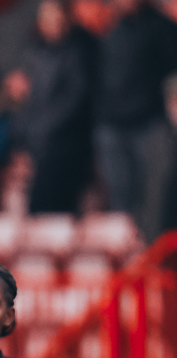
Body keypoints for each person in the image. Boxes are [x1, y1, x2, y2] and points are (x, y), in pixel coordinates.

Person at [95, 0, 177, 228]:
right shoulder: (109, 26)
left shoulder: (163, 27)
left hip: (148, 125)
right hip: (111, 125)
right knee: (119, 197)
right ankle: (126, 253)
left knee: (153, 197)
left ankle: (152, 251)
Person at [23, 0, 99, 213]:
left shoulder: (80, 50)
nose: (49, 23)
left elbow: (76, 97)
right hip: (42, 143)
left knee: (54, 208)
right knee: (40, 208)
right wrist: (25, 130)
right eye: (45, 17)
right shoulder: (40, 50)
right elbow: (34, 97)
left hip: (67, 143)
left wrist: (42, 128)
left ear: (67, 19)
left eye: (54, 17)